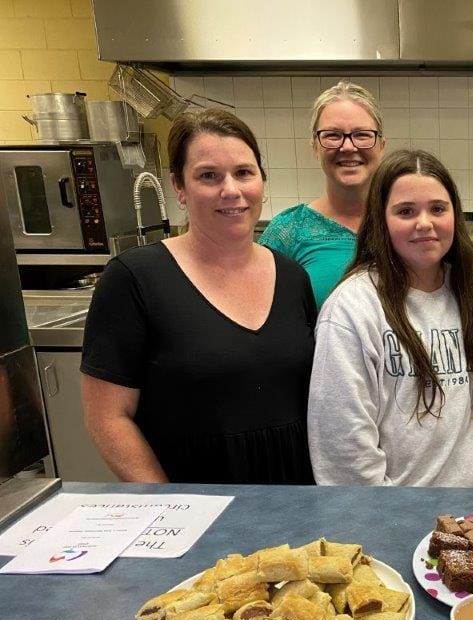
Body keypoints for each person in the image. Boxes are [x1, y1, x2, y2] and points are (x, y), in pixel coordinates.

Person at [81, 109, 317, 484]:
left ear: (261, 180)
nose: (231, 191)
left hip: (295, 495)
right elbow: (108, 417)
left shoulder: (291, 277)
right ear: (178, 186)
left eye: (243, 172)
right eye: (209, 175)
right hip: (193, 500)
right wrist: (168, 504)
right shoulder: (135, 278)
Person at [308, 149, 473, 487]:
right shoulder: (352, 309)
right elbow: (343, 446)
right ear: (381, 221)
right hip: (393, 518)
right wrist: (385, 521)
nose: (424, 223)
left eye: (437, 209)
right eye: (406, 211)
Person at [259, 81, 386, 308]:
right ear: (315, 147)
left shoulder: (404, 224)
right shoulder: (287, 233)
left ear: (381, 146)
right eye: (333, 135)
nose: (348, 146)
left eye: (362, 134)